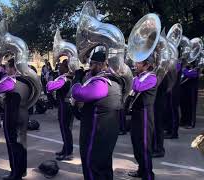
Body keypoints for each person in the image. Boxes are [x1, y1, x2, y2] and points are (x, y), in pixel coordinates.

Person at [72, 48, 122, 180]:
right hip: (106, 132)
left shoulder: (101, 82)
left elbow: (78, 93)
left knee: (91, 165)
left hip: (96, 133)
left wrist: (77, 79)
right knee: (104, 166)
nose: (89, 67)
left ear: (100, 65)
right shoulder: (115, 80)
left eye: (92, 64)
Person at [0, 58, 28, 180]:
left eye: (7, 67)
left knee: (13, 145)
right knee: (22, 144)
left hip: (12, 116)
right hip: (23, 115)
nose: (5, 69)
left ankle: (15, 174)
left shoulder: (11, 81)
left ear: (13, 68)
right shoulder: (26, 81)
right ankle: (21, 171)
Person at [128, 57, 157, 180]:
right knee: (136, 144)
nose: (135, 65)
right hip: (136, 113)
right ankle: (141, 169)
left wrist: (131, 76)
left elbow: (138, 87)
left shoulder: (152, 77)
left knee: (145, 145)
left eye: (138, 63)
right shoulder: (139, 76)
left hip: (145, 114)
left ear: (146, 65)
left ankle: (148, 175)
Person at [47, 58, 74, 161]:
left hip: (65, 106)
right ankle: (65, 149)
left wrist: (50, 81)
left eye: (61, 66)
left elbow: (50, 87)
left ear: (66, 68)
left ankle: (68, 153)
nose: (59, 67)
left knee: (65, 129)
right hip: (68, 105)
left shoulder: (64, 78)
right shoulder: (71, 77)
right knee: (67, 129)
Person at [180, 62, 199, 129]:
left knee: (191, 105)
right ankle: (184, 120)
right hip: (183, 87)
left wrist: (184, 69)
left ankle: (191, 122)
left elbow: (193, 74)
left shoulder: (197, 64)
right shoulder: (185, 64)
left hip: (192, 88)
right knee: (183, 105)